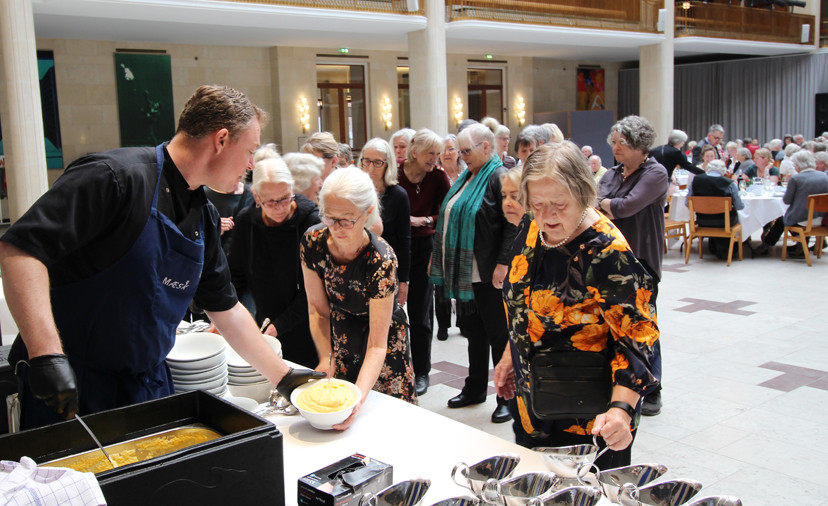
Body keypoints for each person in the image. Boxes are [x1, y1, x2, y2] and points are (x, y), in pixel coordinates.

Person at [0, 85, 322, 429]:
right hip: (70, 385)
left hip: (147, 386)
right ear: (221, 139)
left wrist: (285, 378)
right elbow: (19, 250)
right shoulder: (114, 177)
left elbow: (226, 310)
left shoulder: (205, 217)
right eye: (250, 151)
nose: (249, 165)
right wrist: (47, 356)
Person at [494, 141, 659, 470]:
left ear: (584, 194)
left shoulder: (606, 251)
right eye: (537, 204)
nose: (548, 216)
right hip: (534, 402)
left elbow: (639, 336)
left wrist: (622, 410)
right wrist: (510, 353)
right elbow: (522, 298)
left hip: (591, 417)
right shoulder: (533, 226)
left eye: (559, 204)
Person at [301, 167, 417, 430]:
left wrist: (358, 399)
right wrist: (325, 357)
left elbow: (377, 346)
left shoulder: (381, 260)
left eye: (346, 220)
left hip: (384, 341)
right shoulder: (312, 241)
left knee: (382, 422)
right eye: (330, 218)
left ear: (367, 213)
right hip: (343, 331)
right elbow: (318, 311)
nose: (336, 229)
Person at [430, 123, 517, 424]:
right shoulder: (468, 176)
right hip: (466, 273)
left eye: (467, 151)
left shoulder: (498, 176)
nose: (463, 157)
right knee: (473, 333)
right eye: (461, 151)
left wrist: (504, 263)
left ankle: (507, 396)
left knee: (499, 336)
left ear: (487, 147)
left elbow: (512, 224)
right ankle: (476, 387)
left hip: (490, 270)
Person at [597, 115, 668, 417]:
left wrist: (610, 204)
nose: (615, 148)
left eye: (621, 143)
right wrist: (611, 204)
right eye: (613, 142)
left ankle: (653, 389)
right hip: (608, 258)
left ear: (640, 146)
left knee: (642, 326)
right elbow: (593, 200)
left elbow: (626, 206)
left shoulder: (656, 173)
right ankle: (621, 385)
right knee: (614, 326)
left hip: (641, 261)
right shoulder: (613, 173)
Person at [229, 153, 320, 367]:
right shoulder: (246, 223)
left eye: (285, 198)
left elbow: (315, 290)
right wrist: (227, 313)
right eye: (270, 202)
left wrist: (281, 324)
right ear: (257, 197)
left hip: (309, 326)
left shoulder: (311, 223)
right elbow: (236, 277)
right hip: (266, 320)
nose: (280, 208)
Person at [398, 129, 451, 396]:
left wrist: (426, 220)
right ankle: (394, 366)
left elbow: (447, 213)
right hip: (395, 246)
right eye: (431, 153)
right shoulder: (395, 174)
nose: (435, 158)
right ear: (414, 151)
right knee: (389, 313)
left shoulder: (438, 177)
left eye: (438, 153)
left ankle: (421, 372)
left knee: (420, 314)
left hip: (424, 247)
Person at [359, 137, 411, 310]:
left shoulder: (398, 195)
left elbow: (404, 241)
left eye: (377, 163)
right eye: (366, 161)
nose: (370, 168)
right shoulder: (355, 192)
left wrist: (404, 280)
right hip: (357, 269)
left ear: (388, 165)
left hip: (386, 269)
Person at [756, 150, 828, 257]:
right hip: (821, 218)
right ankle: (802, 245)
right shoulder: (824, 176)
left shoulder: (796, 179)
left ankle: (766, 245)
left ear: (798, 165)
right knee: (798, 214)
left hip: (803, 219)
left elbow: (787, 201)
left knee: (782, 219)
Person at [685, 159, 744, 260]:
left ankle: (714, 247)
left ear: (708, 168)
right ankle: (729, 249)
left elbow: (687, 203)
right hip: (724, 222)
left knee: (715, 218)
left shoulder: (696, 180)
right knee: (735, 217)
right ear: (723, 170)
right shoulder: (729, 183)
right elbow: (739, 206)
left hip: (702, 221)